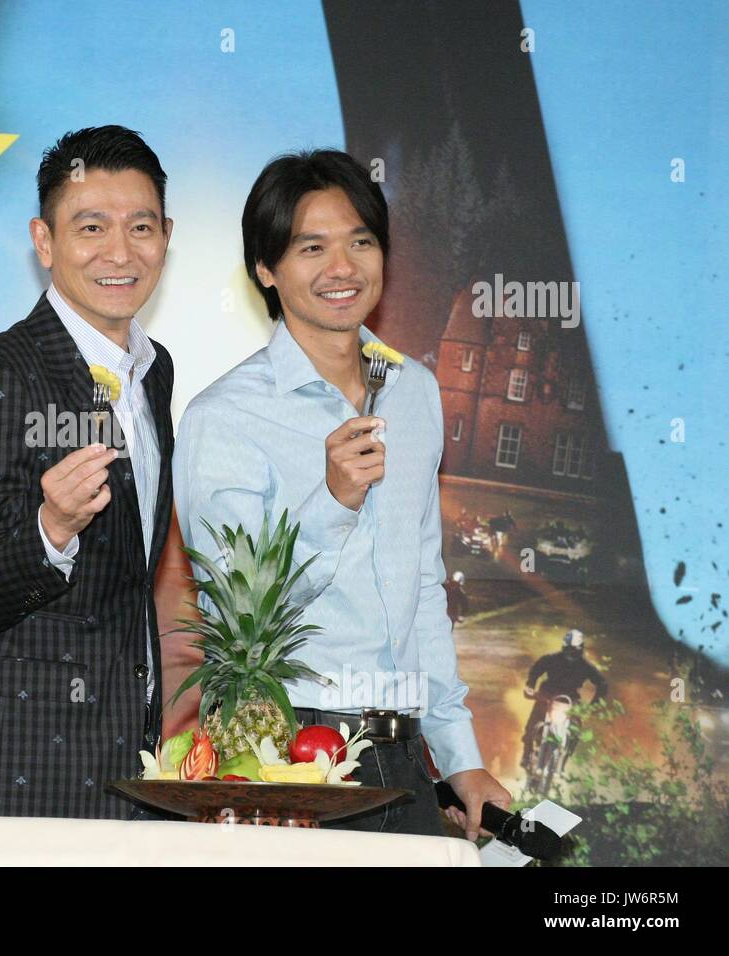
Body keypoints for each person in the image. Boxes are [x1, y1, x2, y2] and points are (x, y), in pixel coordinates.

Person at [174, 149, 511, 840]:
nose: (343, 267)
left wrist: (460, 755)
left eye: (361, 241)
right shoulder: (226, 415)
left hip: (402, 747)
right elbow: (238, 616)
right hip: (287, 747)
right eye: (312, 247)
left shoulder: (414, 391)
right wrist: (331, 501)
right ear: (266, 269)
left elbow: (421, 584)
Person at [0, 126, 176, 818]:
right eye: (91, 227)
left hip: (128, 765)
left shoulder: (155, 374)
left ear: (167, 236)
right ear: (44, 242)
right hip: (17, 766)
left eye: (141, 227)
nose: (120, 253)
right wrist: (51, 528)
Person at [520, 629, 608, 771]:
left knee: (575, 730)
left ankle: (564, 759)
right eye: (567, 650)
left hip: (570, 702)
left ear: (580, 650)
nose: (570, 654)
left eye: (574, 651)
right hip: (546, 697)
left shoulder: (586, 666)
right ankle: (526, 753)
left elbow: (602, 684)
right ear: (563, 648)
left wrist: (593, 706)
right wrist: (530, 686)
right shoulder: (551, 659)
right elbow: (537, 668)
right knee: (532, 725)